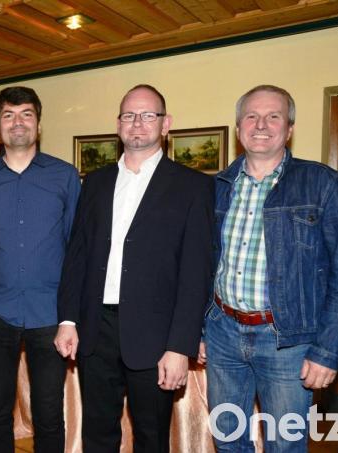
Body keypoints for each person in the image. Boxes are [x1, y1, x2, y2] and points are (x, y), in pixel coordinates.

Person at [55, 84, 215, 453]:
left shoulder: (193, 187)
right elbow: (77, 256)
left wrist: (180, 346)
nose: (137, 123)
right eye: (129, 115)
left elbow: (196, 273)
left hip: (156, 337)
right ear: (118, 125)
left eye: (147, 115)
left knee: (151, 437)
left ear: (165, 124)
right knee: (97, 434)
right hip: (95, 331)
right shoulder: (95, 183)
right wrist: (68, 319)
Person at [197, 85, 338, 451]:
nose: (261, 125)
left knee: (285, 444)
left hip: (289, 341)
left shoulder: (323, 184)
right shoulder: (215, 187)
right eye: (251, 116)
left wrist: (327, 350)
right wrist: (199, 329)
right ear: (239, 128)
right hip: (222, 333)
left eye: (273, 116)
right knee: (228, 441)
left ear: (290, 128)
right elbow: (202, 264)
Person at [0, 86, 81, 453]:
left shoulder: (65, 176)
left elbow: (76, 248)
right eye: (9, 116)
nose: (18, 122)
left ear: (39, 125)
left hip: (50, 312)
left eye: (27, 114)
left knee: (48, 412)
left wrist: (72, 316)